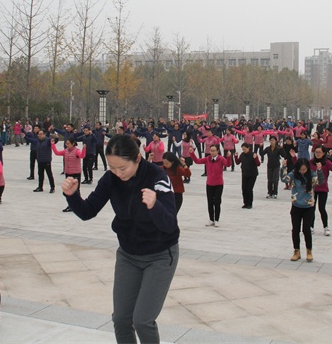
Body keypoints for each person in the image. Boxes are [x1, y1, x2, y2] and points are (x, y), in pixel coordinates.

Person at [61, 134, 179, 344]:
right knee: (121, 319)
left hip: (159, 255)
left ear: (138, 158)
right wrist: (72, 196)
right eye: (112, 167)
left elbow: (170, 224)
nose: (118, 173)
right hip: (128, 255)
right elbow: (88, 211)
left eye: (122, 168)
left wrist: (155, 205)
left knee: (142, 321)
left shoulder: (157, 177)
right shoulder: (111, 178)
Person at [281, 158, 317, 262]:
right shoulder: (294, 174)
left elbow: (319, 181)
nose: (302, 171)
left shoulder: (312, 174)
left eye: (304, 169)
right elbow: (284, 179)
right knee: (295, 229)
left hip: (308, 207)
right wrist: (284, 167)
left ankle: (309, 251)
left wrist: (319, 171)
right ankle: (296, 251)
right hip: (296, 205)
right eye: (300, 169)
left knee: (306, 229)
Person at [192, 144, 229, 227]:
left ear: (217, 151)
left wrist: (229, 157)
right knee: (210, 202)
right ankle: (211, 219)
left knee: (217, 202)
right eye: (211, 151)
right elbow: (197, 161)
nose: (212, 152)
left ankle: (217, 219)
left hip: (218, 184)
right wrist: (192, 153)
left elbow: (228, 164)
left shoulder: (221, 159)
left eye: (214, 151)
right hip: (209, 184)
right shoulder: (207, 159)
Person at [53, 137, 86, 212]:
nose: (66, 145)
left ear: (73, 144)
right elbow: (57, 153)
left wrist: (84, 149)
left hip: (76, 173)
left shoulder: (77, 151)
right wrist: (53, 145)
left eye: (68, 143)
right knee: (68, 190)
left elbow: (82, 156)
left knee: (76, 190)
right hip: (68, 172)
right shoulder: (66, 151)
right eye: (66, 143)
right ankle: (71, 205)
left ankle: (78, 205)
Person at [24, 128, 56, 193]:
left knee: (49, 174)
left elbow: (55, 141)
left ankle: (52, 187)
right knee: (40, 174)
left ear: (44, 134)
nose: (40, 135)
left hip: (46, 160)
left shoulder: (48, 141)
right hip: (40, 160)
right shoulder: (37, 141)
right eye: (39, 134)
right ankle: (40, 187)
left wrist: (56, 138)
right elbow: (31, 140)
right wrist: (25, 137)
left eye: (41, 134)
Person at [234, 142, 260, 209]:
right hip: (245, 174)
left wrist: (256, 158)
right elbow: (237, 162)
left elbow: (258, 164)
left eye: (245, 149)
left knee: (249, 189)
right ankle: (245, 203)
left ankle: (250, 203)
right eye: (243, 149)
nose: (244, 150)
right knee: (244, 189)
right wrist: (236, 156)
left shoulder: (253, 154)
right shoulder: (242, 155)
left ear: (248, 148)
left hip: (252, 174)